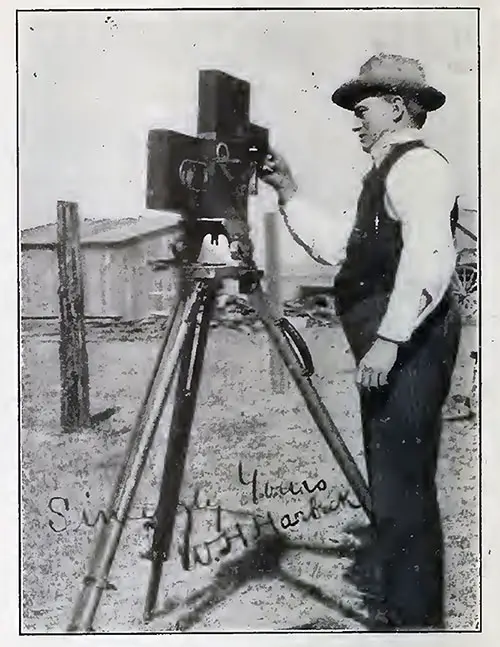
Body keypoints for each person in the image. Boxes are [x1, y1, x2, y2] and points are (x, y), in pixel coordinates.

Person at [260, 53, 462, 630]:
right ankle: (409, 609)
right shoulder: (384, 173)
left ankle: (417, 622)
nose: (355, 119)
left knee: (401, 482)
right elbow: (341, 247)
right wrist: (289, 191)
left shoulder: (418, 168)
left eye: (363, 107)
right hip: (394, 343)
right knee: (393, 476)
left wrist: (390, 341)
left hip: (409, 344)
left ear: (397, 107)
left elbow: (429, 259)